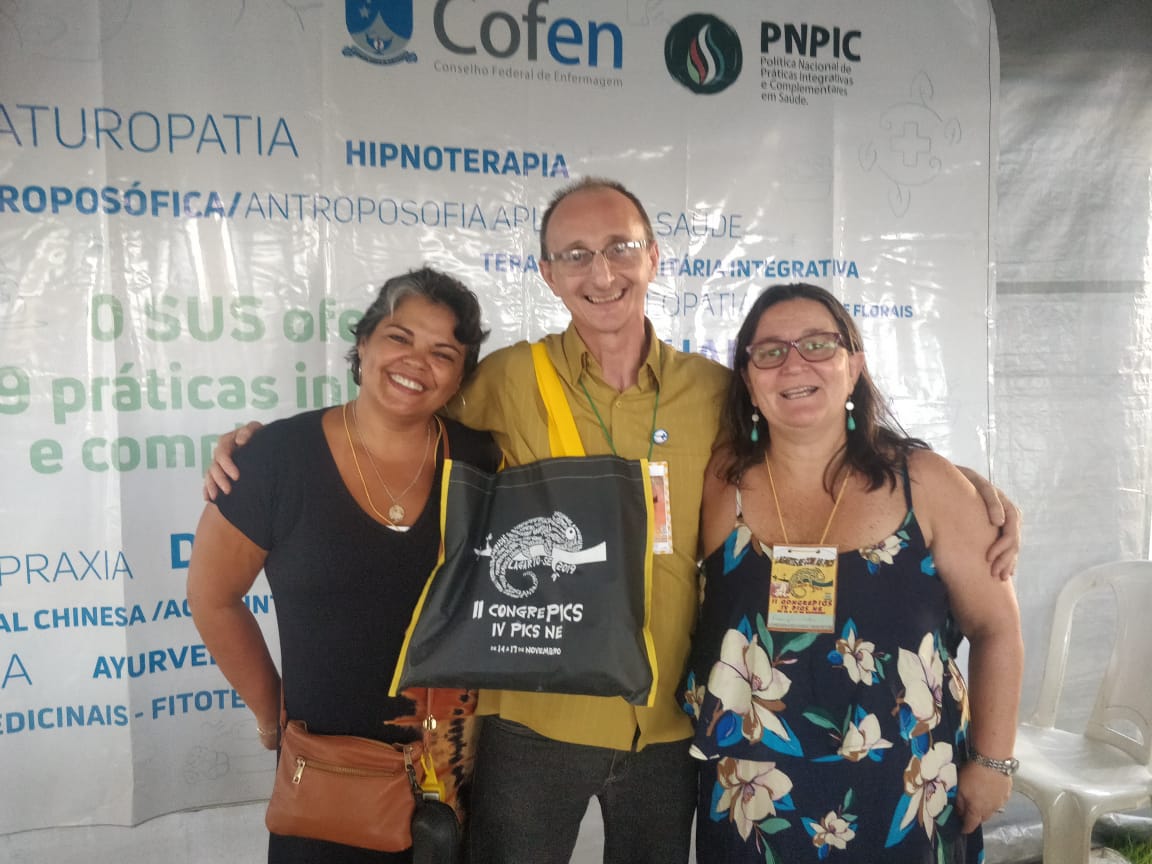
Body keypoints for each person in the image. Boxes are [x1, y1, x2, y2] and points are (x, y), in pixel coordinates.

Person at [204, 178, 1021, 864]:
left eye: (621, 248)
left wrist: (966, 487)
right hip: (535, 719)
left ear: (653, 258)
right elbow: (400, 412)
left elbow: (812, 434)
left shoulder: (713, 390)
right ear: (548, 274)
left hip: (667, 725)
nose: (601, 272)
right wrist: (265, 446)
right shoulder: (505, 381)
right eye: (575, 255)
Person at [681, 283, 1023, 863]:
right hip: (753, 800)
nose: (794, 364)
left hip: (905, 791)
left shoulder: (926, 484)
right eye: (770, 351)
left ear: (854, 365)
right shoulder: (719, 482)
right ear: (748, 379)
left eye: (818, 344)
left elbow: (997, 628)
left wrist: (993, 762)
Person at [187, 267, 501, 864]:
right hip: (325, 782)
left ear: (462, 375)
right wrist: (270, 712)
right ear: (363, 344)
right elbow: (212, 596)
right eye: (399, 337)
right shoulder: (277, 458)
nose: (416, 362)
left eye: (443, 353)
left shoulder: (481, 460)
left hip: (450, 781)